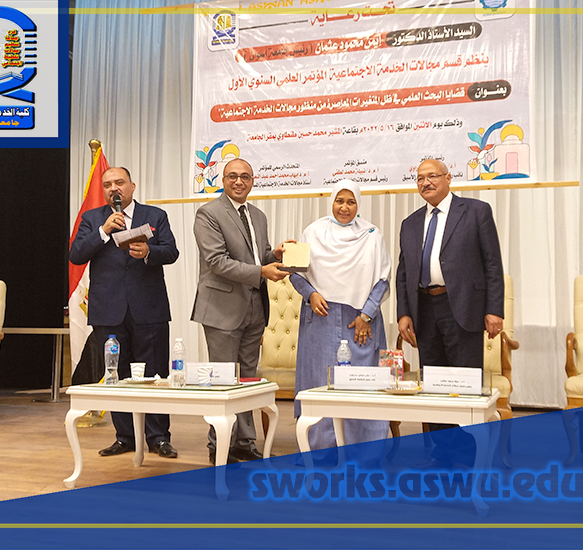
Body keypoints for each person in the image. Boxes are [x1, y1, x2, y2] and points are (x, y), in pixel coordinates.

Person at [396, 159, 504, 467]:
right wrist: (404, 313)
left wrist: (494, 310)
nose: (425, 182)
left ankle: (471, 455)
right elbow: (403, 273)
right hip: (424, 309)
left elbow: (492, 264)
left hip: (464, 308)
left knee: (464, 384)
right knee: (434, 386)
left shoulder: (476, 212)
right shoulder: (410, 223)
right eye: (420, 178)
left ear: (448, 178)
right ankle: (444, 453)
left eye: (432, 176)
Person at [69, 166, 180, 458]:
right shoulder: (93, 219)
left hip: (149, 308)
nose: (113, 188)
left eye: (119, 182)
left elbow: (171, 252)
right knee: (116, 375)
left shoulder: (155, 216)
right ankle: (125, 437)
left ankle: (158, 438)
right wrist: (103, 231)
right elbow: (76, 254)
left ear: (132, 186)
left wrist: (149, 252)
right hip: (109, 311)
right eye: (107, 185)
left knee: (155, 374)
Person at [191, 158, 291, 465]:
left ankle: (245, 442)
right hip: (221, 308)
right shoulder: (208, 213)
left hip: (254, 308)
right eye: (232, 176)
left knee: (248, 378)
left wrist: (273, 254)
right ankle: (219, 445)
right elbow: (216, 261)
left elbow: (256, 257)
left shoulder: (257, 215)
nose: (239, 181)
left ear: (252, 181)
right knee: (223, 379)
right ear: (222, 180)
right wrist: (261, 270)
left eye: (245, 176)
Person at [291, 179, 392, 454]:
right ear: (332, 201)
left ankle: (364, 452)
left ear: (358, 204)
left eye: (351, 202)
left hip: (360, 322)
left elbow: (383, 279)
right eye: (339, 201)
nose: (344, 207)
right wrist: (311, 294)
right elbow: (295, 273)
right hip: (320, 319)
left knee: (363, 386)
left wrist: (366, 315)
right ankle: (319, 451)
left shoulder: (371, 234)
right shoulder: (313, 232)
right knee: (320, 385)